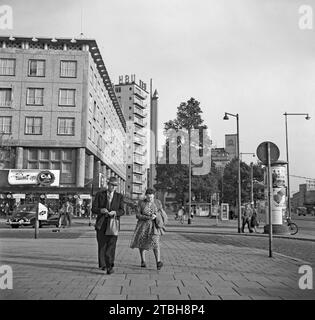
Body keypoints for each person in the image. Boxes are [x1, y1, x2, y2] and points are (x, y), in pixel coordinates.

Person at [92, 176, 125, 275]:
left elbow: (122, 210)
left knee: (111, 245)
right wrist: (100, 210)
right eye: (112, 185)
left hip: (113, 223)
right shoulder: (100, 194)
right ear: (108, 184)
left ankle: (109, 265)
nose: (113, 187)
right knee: (102, 245)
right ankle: (103, 264)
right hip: (101, 223)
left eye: (115, 186)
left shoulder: (119, 196)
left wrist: (115, 212)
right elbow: (93, 208)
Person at [130, 188, 168, 270]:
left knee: (156, 242)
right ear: (145, 196)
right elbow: (138, 215)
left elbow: (161, 212)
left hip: (154, 226)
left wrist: (156, 215)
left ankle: (158, 262)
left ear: (154, 196)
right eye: (148, 197)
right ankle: (143, 260)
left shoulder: (157, 202)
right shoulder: (141, 203)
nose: (150, 199)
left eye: (151, 197)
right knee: (142, 243)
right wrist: (148, 217)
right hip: (143, 226)